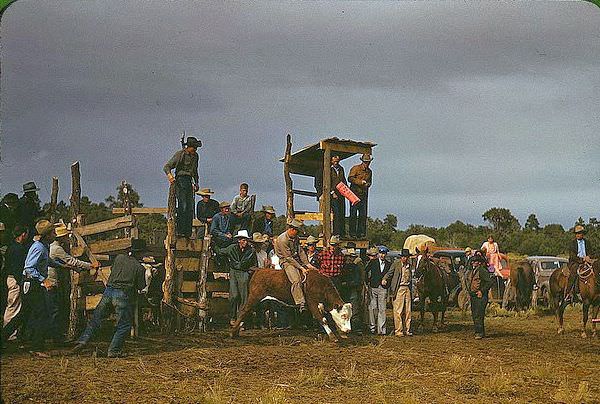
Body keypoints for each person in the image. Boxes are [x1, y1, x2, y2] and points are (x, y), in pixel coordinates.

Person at [71, 239, 147, 357]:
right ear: (141, 253)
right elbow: (141, 286)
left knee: (96, 318)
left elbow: (112, 270)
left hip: (109, 291)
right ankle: (114, 350)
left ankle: (82, 341)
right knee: (124, 325)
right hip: (122, 294)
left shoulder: (119, 258)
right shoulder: (139, 268)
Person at [48, 224, 100, 341]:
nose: (67, 238)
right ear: (61, 238)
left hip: (52, 280)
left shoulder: (52, 247)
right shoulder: (57, 249)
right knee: (54, 310)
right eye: (66, 236)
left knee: (53, 309)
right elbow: (71, 261)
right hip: (51, 281)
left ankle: (54, 336)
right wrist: (90, 265)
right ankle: (55, 337)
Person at [22, 220, 65, 356]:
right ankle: (36, 347)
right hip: (32, 282)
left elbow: (46, 261)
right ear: (47, 235)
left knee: (26, 314)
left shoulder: (44, 246)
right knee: (41, 313)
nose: (55, 235)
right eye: (53, 232)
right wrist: (44, 280)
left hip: (34, 282)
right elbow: (29, 268)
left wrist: (63, 266)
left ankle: (8, 339)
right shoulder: (39, 247)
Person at [274, 219, 318, 311]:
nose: (297, 234)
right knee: (296, 280)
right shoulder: (282, 240)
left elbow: (300, 251)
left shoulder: (296, 238)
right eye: (297, 231)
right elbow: (288, 258)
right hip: (286, 261)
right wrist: (301, 267)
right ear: (292, 229)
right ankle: (300, 302)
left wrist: (307, 264)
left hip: (295, 258)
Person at [163, 136, 201, 238]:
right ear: (189, 147)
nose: (195, 150)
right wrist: (170, 176)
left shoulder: (195, 156)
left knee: (189, 207)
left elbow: (195, 171)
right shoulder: (180, 154)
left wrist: (196, 183)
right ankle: (180, 231)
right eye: (194, 148)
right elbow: (167, 166)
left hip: (189, 181)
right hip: (180, 180)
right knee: (182, 206)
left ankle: (187, 232)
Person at [220, 230, 258, 325]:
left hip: (244, 272)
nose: (245, 242)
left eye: (246, 240)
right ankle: (232, 317)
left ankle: (241, 319)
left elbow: (254, 264)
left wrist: (249, 272)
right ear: (239, 240)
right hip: (234, 272)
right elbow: (221, 251)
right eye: (243, 240)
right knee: (234, 296)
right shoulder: (232, 248)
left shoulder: (251, 251)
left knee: (244, 297)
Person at [2, 225, 29, 344]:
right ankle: (8, 334)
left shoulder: (12, 247)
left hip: (12, 278)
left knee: (14, 305)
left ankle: (10, 333)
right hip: (15, 279)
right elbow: (17, 268)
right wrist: (20, 281)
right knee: (13, 306)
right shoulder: (18, 249)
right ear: (23, 234)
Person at [382, 249, 413, 336]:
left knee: (408, 311)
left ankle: (407, 329)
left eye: (406, 257)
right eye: (403, 257)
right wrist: (384, 279)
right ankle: (398, 330)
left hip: (407, 288)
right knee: (398, 311)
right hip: (399, 288)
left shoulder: (409, 266)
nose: (405, 259)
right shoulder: (396, 264)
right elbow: (389, 273)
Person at [315, 155, 347, 237]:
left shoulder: (341, 169)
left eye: (338, 161)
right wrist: (332, 192)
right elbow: (324, 183)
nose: (336, 162)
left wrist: (347, 192)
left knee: (341, 213)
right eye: (335, 161)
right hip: (330, 194)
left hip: (341, 193)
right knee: (333, 213)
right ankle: (332, 232)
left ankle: (341, 233)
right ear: (331, 161)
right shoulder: (327, 170)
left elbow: (344, 180)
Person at [364, 246, 391, 335]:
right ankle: (372, 327)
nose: (382, 255)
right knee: (372, 307)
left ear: (386, 254)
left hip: (383, 288)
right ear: (378, 254)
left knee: (382, 309)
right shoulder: (373, 262)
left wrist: (387, 283)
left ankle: (382, 330)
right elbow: (365, 271)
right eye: (381, 253)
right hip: (373, 287)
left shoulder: (388, 264)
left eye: (384, 254)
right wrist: (367, 282)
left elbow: (390, 275)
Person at [465, 254, 494, 339]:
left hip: (480, 296)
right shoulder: (473, 270)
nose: (473, 263)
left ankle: (479, 332)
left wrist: (482, 291)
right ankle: (479, 331)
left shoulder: (482, 271)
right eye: (473, 261)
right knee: (475, 314)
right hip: (474, 295)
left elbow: (489, 282)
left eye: (475, 261)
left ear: (479, 263)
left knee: (479, 314)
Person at [566, 225, 595, 301]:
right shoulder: (572, 243)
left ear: (583, 234)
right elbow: (572, 256)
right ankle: (569, 292)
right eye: (576, 233)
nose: (578, 235)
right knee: (575, 272)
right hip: (575, 262)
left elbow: (591, 252)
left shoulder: (587, 242)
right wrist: (582, 260)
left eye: (579, 233)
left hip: (587, 261)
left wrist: (589, 257)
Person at [348, 153, 373, 239]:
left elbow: (370, 182)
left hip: (363, 195)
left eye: (368, 162)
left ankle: (361, 234)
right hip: (354, 194)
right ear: (362, 161)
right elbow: (350, 178)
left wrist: (367, 184)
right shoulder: (355, 168)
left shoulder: (370, 172)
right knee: (353, 214)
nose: (367, 163)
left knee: (363, 215)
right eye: (366, 162)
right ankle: (352, 233)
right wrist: (360, 182)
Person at [340, 247, 363, 333]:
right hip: (344, 292)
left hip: (352, 291)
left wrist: (347, 283)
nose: (349, 258)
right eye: (347, 256)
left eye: (351, 257)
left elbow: (357, 280)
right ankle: (344, 328)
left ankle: (356, 328)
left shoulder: (355, 267)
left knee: (355, 311)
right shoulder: (341, 268)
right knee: (344, 311)